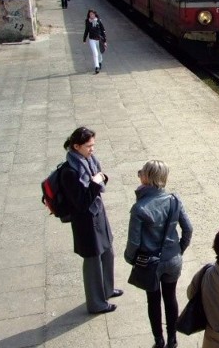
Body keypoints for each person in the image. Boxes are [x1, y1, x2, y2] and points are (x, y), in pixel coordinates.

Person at [124, 160, 193, 348]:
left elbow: (133, 242)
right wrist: (179, 249)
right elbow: (188, 229)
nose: (139, 175)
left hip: (150, 263)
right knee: (170, 298)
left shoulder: (140, 208)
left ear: (147, 178)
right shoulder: (175, 200)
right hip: (173, 259)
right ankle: (173, 339)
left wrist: (131, 260)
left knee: (153, 301)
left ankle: (158, 340)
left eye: (141, 172)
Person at [60, 127, 123, 314]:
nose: (92, 150)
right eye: (88, 146)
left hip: (97, 214)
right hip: (85, 222)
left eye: (93, 145)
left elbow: (97, 184)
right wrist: (96, 182)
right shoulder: (69, 172)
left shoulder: (89, 160)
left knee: (108, 252)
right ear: (76, 146)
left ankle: (107, 289)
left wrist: (101, 178)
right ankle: (96, 303)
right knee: (93, 262)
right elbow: (81, 202)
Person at [83, 9, 107, 74]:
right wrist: (84, 39)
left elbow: (103, 31)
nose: (92, 15)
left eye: (93, 14)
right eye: (90, 14)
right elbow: (86, 30)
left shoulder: (99, 21)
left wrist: (105, 41)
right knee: (95, 53)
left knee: (99, 52)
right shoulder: (88, 21)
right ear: (89, 15)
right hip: (92, 40)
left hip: (99, 40)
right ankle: (96, 67)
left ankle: (100, 62)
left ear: (95, 14)